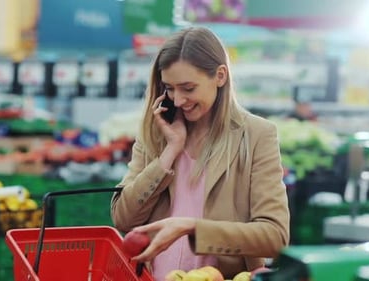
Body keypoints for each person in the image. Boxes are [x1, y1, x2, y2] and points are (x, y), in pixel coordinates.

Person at [110, 26, 290, 280]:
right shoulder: (155, 134)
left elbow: (274, 236)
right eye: (170, 88)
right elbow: (123, 219)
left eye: (188, 88)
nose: (179, 100)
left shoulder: (256, 135)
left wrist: (193, 228)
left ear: (220, 76)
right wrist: (169, 152)